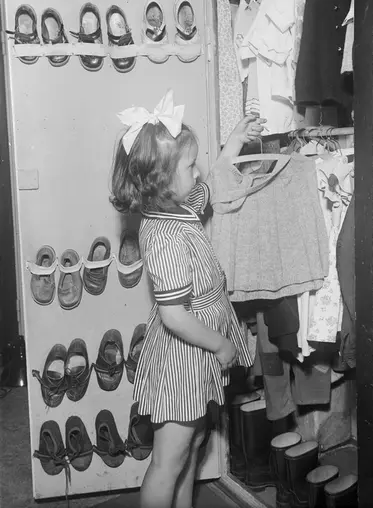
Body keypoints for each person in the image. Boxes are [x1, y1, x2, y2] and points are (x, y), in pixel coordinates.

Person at [110, 89, 266, 508]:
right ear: (160, 180)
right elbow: (175, 317)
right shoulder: (163, 234)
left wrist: (235, 140)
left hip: (197, 350)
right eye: (189, 166)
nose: (196, 173)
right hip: (185, 352)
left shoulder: (177, 208)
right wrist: (221, 345)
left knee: (193, 444)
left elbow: (210, 183)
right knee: (168, 460)